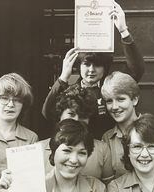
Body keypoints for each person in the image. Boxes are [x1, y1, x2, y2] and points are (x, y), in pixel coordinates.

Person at [42, 1, 145, 139]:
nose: (91, 70)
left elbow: (136, 70)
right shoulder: (70, 90)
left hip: (108, 148)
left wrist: (123, 31)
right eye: (86, 64)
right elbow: (47, 113)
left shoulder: (111, 88)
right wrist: (62, 78)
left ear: (105, 67)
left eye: (97, 65)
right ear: (79, 66)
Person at [0, 119, 109, 192]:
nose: (74, 160)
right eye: (67, 150)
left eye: (82, 153)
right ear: (53, 152)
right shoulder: (33, 187)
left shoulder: (97, 189)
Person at [42, 84, 114, 182]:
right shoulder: (39, 149)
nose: (76, 120)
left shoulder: (102, 150)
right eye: (71, 114)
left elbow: (108, 187)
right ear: (60, 115)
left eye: (82, 116)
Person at [101, 71, 140, 178]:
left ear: (134, 100)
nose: (114, 107)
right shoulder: (107, 139)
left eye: (120, 99)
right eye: (109, 101)